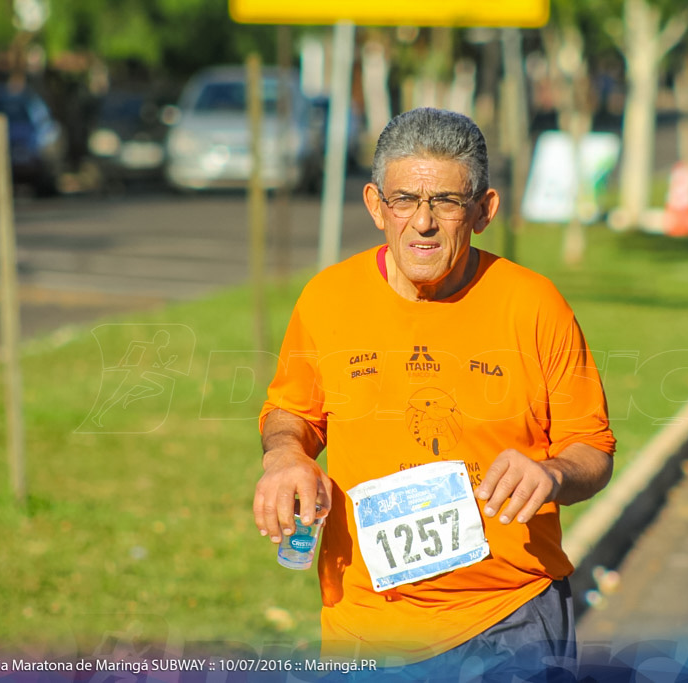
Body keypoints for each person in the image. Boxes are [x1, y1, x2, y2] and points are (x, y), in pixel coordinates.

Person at [253, 108, 615, 679]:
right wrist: (285, 455)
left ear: (483, 211)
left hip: (508, 617)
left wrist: (552, 474)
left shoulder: (534, 305)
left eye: (446, 202)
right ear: (376, 205)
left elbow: (592, 449)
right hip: (366, 623)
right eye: (404, 200)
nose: (422, 222)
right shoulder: (328, 299)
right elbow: (291, 412)